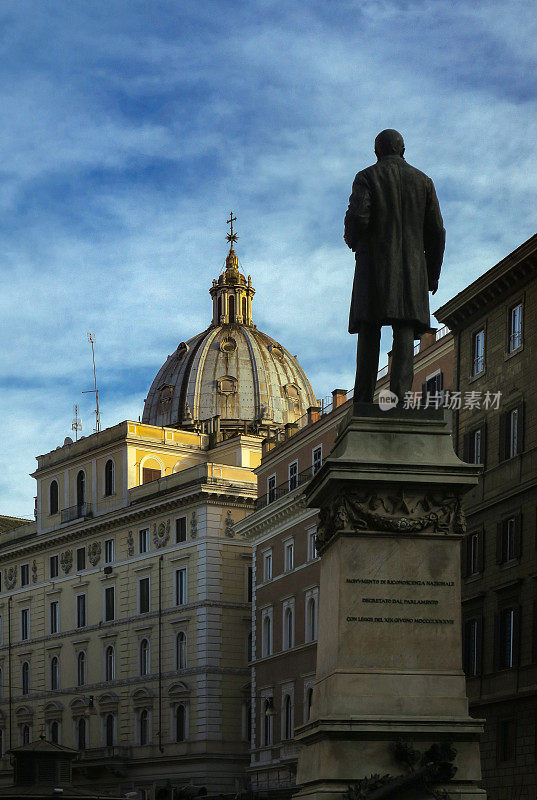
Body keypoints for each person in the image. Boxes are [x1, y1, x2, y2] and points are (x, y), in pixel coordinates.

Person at [344, 129, 445, 404]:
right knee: (403, 331)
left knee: (369, 331)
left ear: (376, 152)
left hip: (373, 268)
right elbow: (436, 231)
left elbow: (358, 216)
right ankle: (399, 399)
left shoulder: (366, 177)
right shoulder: (423, 181)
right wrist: (431, 274)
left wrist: (352, 240)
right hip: (412, 270)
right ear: (403, 150)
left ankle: (363, 399)